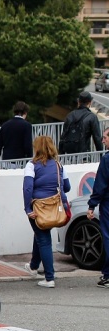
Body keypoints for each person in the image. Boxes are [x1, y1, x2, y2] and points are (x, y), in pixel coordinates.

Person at [22, 135, 71, 289]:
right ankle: (33, 266)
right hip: (56, 208)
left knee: (43, 239)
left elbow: (27, 188)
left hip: (39, 208)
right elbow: (67, 187)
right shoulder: (59, 165)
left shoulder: (31, 165)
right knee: (40, 235)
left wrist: (28, 208)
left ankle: (49, 278)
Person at [88, 128, 109, 288]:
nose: (102, 140)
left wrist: (92, 204)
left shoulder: (107, 160)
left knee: (108, 237)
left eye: (105, 137)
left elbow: (100, 185)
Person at [59, 91, 104, 156]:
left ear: (78, 102)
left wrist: (61, 154)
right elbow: (97, 138)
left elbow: (63, 136)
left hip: (68, 154)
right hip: (84, 153)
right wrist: (101, 155)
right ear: (90, 102)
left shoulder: (70, 115)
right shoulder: (92, 117)